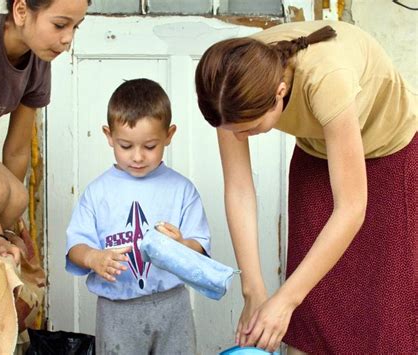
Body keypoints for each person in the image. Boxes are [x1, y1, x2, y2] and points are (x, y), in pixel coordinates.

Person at [195, 20, 416, 353]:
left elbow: (351, 207)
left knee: (384, 297)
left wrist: (283, 301)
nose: (238, 138)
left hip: (391, 149)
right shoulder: (228, 87)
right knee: (314, 298)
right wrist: (252, 289)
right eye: (233, 130)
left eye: (250, 129)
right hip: (317, 150)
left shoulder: (326, 79)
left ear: (279, 95)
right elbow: (239, 189)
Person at [66, 78, 211, 355]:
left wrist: (182, 246)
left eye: (149, 146)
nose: (138, 157)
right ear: (108, 135)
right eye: (125, 146)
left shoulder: (182, 190)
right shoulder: (97, 193)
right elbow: (75, 248)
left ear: (169, 135)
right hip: (116, 309)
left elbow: (200, 248)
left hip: (173, 306)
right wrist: (93, 258)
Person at [0, 0, 89, 266]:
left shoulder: (38, 61)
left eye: (75, 27)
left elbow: (17, 150)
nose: (67, 39)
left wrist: (7, 231)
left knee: (17, 199)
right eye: (59, 25)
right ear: (21, 11)